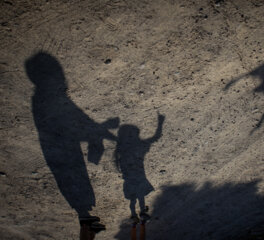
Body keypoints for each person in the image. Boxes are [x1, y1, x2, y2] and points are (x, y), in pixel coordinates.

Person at [25, 52, 118, 239]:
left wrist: (101, 131)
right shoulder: (42, 98)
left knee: (72, 180)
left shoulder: (42, 98)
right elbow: (78, 118)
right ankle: (86, 224)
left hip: (60, 147)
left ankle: (85, 223)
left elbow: (77, 117)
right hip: (61, 146)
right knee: (73, 180)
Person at [115, 113, 165, 221]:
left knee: (133, 197)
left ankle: (134, 215)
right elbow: (155, 137)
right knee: (140, 195)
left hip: (128, 179)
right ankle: (141, 212)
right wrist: (160, 123)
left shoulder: (120, 150)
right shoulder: (140, 147)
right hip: (139, 176)